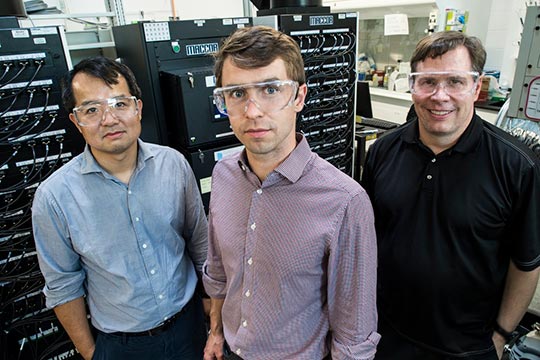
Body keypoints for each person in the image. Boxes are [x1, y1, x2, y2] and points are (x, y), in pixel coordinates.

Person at [202, 25, 380, 360]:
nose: (252, 111)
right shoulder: (223, 176)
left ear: (299, 97)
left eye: (270, 89)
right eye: (237, 94)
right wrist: (215, 332)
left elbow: (354, 333)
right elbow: (219, 272)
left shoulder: (344, 202)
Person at [361, 31, 540, 360]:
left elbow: (526, 263)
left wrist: (499, 336)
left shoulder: (517, 166)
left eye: (455, 82)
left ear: (476, 86)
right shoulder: (382, 152)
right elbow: (367, 240)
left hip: (468, 348)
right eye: (427, 81)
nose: (439, 96)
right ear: (413, 85)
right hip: (386, 336)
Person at [32, 56, 208, 360]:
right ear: (76, 121)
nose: (109, 119)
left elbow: (200, 242)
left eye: (119, 104)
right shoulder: (55, 197)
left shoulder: (173, 165)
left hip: (189, 326)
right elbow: (62, 285)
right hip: (121, 346)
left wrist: (211, 306)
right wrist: (90, 352)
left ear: (138, 108)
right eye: (91, 110)